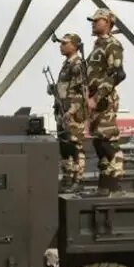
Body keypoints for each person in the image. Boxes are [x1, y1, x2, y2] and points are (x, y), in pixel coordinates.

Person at [85, 8, 126, 196]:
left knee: (108, 141)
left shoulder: (113, 44)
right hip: (93, 100)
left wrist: (97, 97)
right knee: (99, 143)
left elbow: (116, 74)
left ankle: (115, 185)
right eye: (93, 21)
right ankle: (105, 185)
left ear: (108, 23)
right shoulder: (97, 45)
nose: (93, 23)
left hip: (104, 100)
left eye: (97, 20)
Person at [54, 33, 88, 192]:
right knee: (64, 146)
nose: (61, 46)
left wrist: (71, 111)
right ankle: (67, 177)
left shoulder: (77, 64)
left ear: (74, 46)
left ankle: (77, 180)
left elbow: (81, 91)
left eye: (65, 43)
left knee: (75, 146)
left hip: (72, 112)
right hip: (62, 109)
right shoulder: (67, 64)